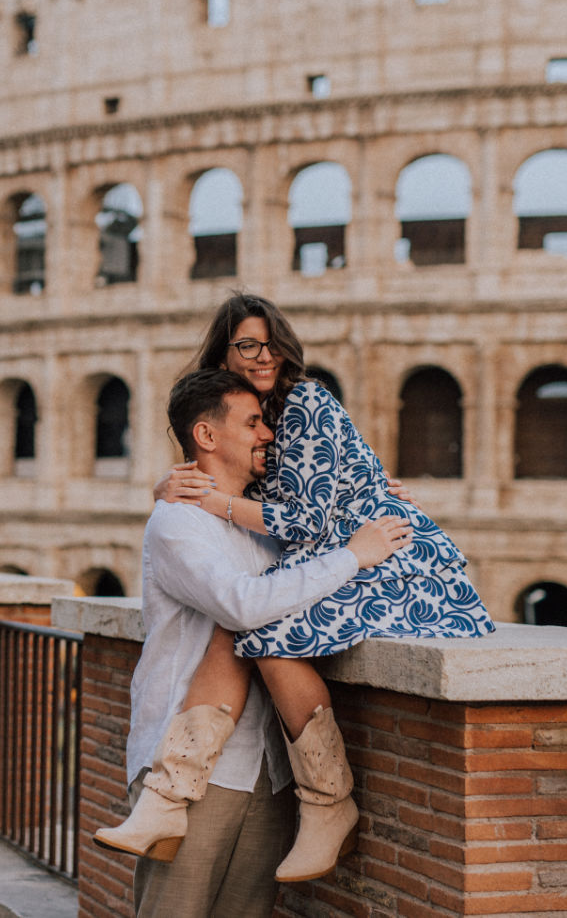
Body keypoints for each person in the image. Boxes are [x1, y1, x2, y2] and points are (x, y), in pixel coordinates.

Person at [106, 293, 495, 883]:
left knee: (257, 627)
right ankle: (171, 797)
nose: (264, 356)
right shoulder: (249, 421)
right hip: (345, 552)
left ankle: (326, 803)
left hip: (386, 561)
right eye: (247, 346)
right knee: (236, 625)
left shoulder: (305, 401)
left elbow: (309, 519)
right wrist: (171, 487)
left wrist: (224, 502)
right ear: (225, 357)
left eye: (272, 343)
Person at [94, 370, 412, 917]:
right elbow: (243, 607)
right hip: (195, 770)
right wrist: (353, 555)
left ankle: (329, 803)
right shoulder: (178, 521)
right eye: (253, 422)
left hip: (268, 769)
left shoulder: (270, 523)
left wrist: (374, 496)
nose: (267, 434)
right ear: (207, 436)